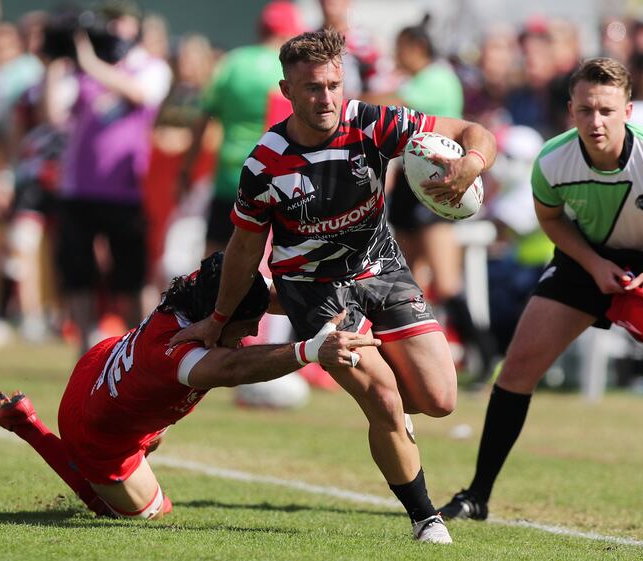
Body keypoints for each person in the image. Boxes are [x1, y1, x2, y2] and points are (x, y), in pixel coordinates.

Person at [171, 29, 497, 544]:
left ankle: (386, 403)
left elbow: (474, 129)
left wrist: (470, 164)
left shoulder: (372, 122)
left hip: (383, 272)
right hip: (313, 291)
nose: (326, 98)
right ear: (286, 90)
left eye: (333, 85)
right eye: (312, 88)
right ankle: (425, 518)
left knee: (438, 400)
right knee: (385, 401)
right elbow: (243, 249)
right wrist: (216, 319)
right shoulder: (264, 163)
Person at [439, 57, 643, 532]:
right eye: (585, 110)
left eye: (606, 110)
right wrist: (594, 263)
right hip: (588, 259)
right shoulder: (554, 160)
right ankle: (477, 496)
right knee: (517, 369)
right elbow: (552, 218)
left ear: (628, 111)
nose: (595, 121)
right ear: (570, 110)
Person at [0, 251, 379, 520]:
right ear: (219, 317)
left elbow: (258, 296)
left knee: (153, 438)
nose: (254, 329)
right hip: (96, 432)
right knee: (148, 512)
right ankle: (25, 423)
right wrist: (310, 350)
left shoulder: (200, 290)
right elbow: (235, 369)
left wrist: (339, 295)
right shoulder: (179, 356)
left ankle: (129, 443)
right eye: (247, 324)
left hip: (101, 371)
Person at [50, 1, 172, 354]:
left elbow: (140, 95)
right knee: (77, 271)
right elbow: (54, 113)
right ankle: (84, 349)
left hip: (124, 191)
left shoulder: (151, 67)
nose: (113, 31)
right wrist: (57, 64)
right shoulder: (83, 70)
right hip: (77, 188)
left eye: (119, 23)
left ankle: (142, 349)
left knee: (130, 275)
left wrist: (89, 61)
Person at [381, 23, 495, 381]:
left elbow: (396, 106)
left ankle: (485, 355)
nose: (395, 56)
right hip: (410, 183)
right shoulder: (422, 78)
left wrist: (354, 102)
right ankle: (399, 364)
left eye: (399, 47)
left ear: (416, 47)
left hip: (437, 184)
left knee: (445, 283)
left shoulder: (436, 78)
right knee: (401, 280)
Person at [179, 0, 305, 255]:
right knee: (268, 263)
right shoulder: (289, 69)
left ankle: (212, 295)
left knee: (214, 259)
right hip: (276, 182)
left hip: (230, 179)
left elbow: (202, 121)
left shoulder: (232, 63)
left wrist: (186, 170)